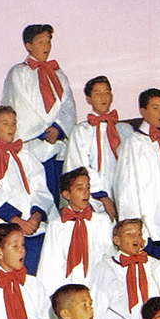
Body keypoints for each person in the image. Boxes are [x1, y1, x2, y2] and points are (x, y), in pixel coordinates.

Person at [1, 23, 77, 199]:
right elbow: (20, 105)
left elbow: (67, 104)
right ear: (28, 45)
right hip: (32, 145)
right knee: (37, 194)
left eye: (48, 42)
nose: (46, 47)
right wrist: (42, 132)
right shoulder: (19, 73)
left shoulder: (58, 74)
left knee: (58, 194)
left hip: (56, 144)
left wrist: (58, 128)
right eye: (40, 42)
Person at [114, 88, 160, 256]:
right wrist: (135, 232)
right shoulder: (133, 144)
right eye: (155, 107)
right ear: (143, 110)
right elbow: (125, 190)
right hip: (149, 230)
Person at [0, 104, 54, 275]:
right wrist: (17, 221)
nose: (11, 128)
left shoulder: (26, 156)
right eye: (5, 123)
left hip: (34, 226)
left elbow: (40, 189)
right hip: (6, 227)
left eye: (14, 123)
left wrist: (36, 217)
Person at [88, 218, 160, 319]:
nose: (136, 238)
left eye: (138, 234)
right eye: (129, 234)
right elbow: (98, 306)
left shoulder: (153, 265)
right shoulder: (106, 267)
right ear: (117, 240)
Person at [62, 75, 133, 220]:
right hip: (95, 200)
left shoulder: (125, 130)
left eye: (107, 92)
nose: (103, 97)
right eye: (97, 93)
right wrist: (102, 196)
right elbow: (78, 166)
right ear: (88, 99)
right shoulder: (81, 131)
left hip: (125, 196)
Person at [37, 167, 113, 298]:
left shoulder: (102, 221)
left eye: (88, 188)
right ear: (67, 195)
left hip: (98, 289)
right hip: (69, 290)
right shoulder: (56, 226)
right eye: (79, 189)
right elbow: (49, 266)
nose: (86, 193)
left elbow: (109, 256)